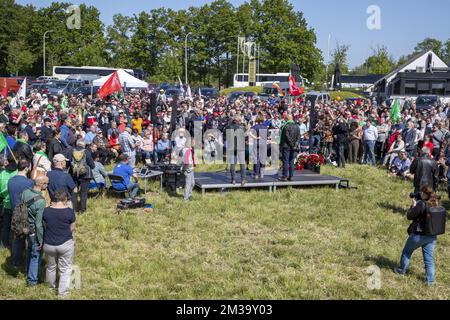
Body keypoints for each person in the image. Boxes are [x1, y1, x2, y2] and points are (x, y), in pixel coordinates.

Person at [395, 186, 445, 286]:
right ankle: (430, 281)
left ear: (424, 194)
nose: (420, 193)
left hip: (419, 235)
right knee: (429, 259)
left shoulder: (421, 204)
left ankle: (401, 270)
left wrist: (413, 206)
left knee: (406, 252)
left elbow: (409, 216)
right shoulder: (436, 203)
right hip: (432, 236)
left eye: (421, 192)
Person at [43, 189, 76, 297]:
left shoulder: (46, 211)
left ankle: (49, 288)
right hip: (65, 243)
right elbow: (72, 228)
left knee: (50, 267)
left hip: (49, 244)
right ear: (65, 199)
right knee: (65, 269)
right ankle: (62, 293)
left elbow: (44, 226)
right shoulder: (70, 212)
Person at [8, 159, 34, 268]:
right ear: (27, 168)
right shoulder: (29, 182)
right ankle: (29, 262)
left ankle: (15, 262)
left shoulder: (10, 181)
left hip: (14, 212)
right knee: (31, 239)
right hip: (27, 213)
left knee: (17, 238)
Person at [22, 175, 48, 286]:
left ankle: (27, 272)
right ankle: (32, 280)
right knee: (35, 255)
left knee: (29, 251)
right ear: (41, 184)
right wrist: (41, 239)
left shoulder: (25, 192)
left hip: (25, 227)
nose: (47, 186)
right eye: (47, 183)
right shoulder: (41, 201)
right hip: (34, 230)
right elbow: (39, 224)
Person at [71, 139, 95, 214]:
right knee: (83, 192)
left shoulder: (71, 151)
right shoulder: (86, 151)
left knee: (74, 192)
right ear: (83, 144)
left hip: (74, 174)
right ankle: (82, 210)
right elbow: (92, 165)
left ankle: (74, 209)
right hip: (85, 175)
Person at [0, 158, 17, 248]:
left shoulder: (2, 174)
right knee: (17, 227)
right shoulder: (18, 173)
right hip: (16, 204)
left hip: (6, 202)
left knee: (6, 226)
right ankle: (16, 246)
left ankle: (4, 244)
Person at [226, 115, 248, 185]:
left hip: (232, 147)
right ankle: (243, 179)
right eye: (240, 120)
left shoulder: (229, 127)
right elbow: (246, 137)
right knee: (242, 163)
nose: (241, 121)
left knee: (233, 163)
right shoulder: (242, 127)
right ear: (238, 121)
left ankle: (233, 179)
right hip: (240, 147)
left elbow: (225, 136)